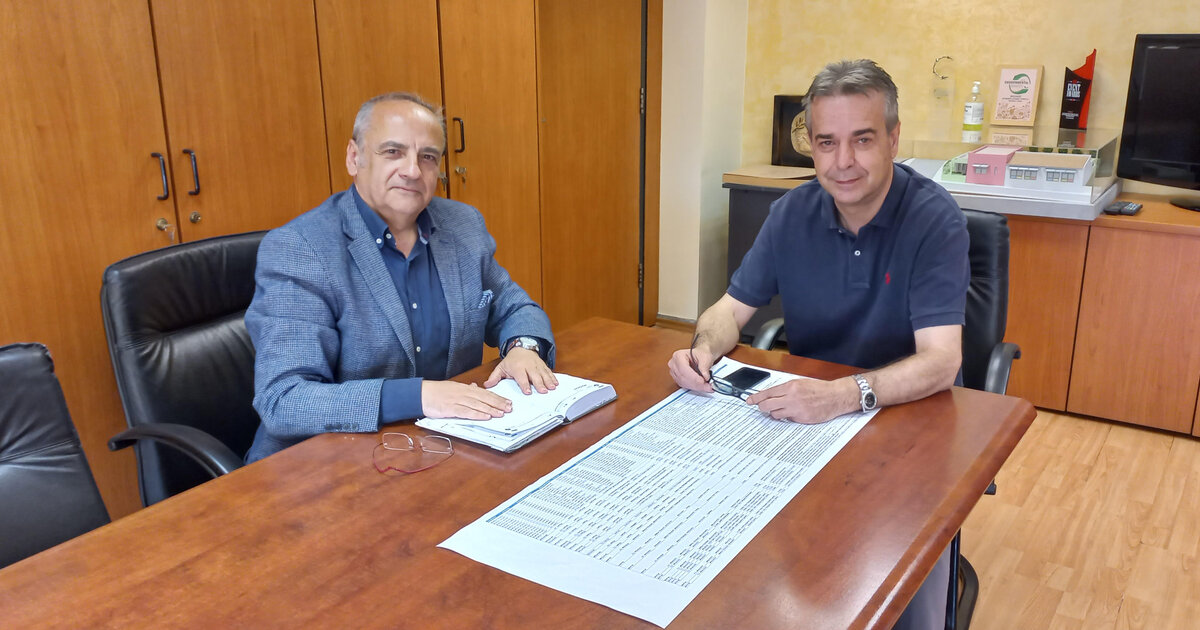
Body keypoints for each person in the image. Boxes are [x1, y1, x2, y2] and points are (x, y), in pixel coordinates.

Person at [667, 60, 969, 629]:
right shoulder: (791, 213)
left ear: (894, 139)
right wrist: (702, 349)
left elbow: (941, 361)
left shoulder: (935, 219)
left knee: (890, 596)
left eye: (863, 140)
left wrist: (841, 396)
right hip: (806, 424)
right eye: (827, 142)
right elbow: (729, 312)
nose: (842, 161)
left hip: (905, 424)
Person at [244, 92, 556, 464]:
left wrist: (524, 347)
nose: (412, 171)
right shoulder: (301, 249)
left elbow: (514, 307)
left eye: (428, 157)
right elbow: (285, 400)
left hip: (439, 448)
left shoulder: (462, 225)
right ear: (354, 158)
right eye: (393, 152)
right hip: (324, 465)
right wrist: (418, 396)